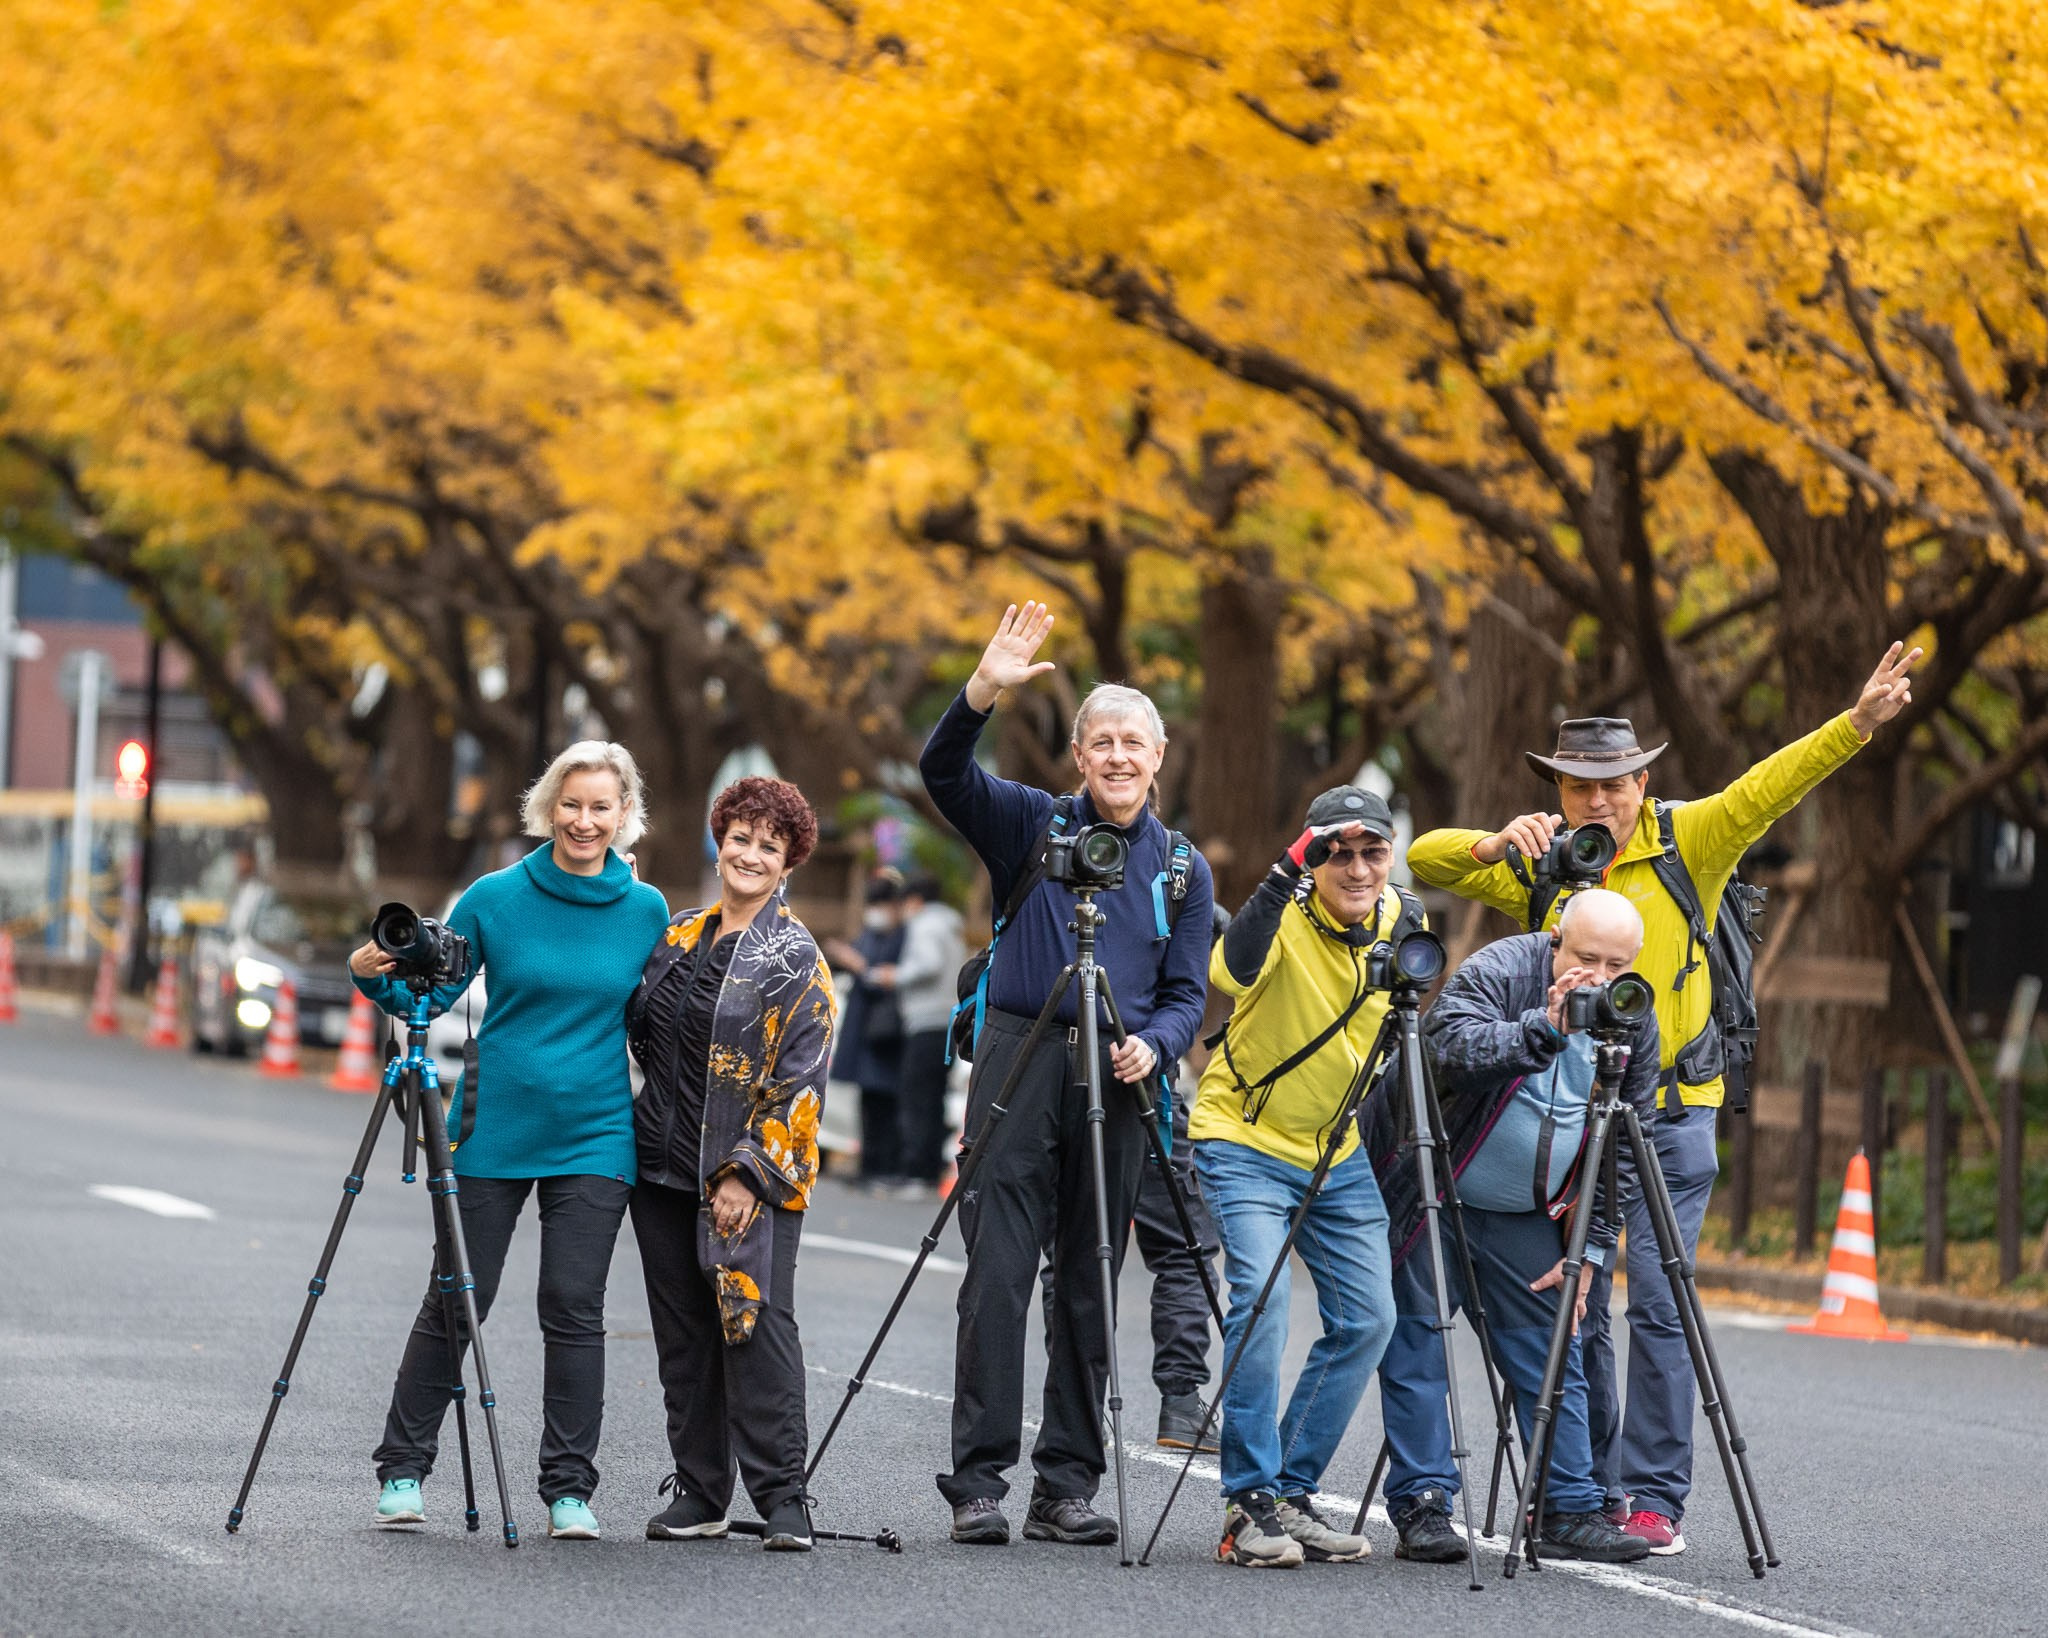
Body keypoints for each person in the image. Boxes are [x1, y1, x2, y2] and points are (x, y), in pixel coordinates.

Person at [1406, 640, 1920, 1554]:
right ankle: (1588, 1492)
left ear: (1643, 782)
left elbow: (1769, 787)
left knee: (1654, 1298)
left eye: (1615, 783)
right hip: (1562, 1124)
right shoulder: (1546, 866)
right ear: (1558, 792)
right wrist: (1495, 842)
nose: (1598, 801)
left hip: (1668, 1113)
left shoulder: (1693, 840)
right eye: (1579, 786)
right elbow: (1425, 859)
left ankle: (1652, 1498)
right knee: (1577, 1297)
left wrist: (1855, 724)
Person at [920, 601, 1213, 1547]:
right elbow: (942, 772)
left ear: (1158, 756)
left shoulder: (1182, 870)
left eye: (1135, 741)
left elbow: (1184, 993)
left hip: (1122, 1073)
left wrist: (1157, 1047)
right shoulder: (1030, 823)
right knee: (998, 1277)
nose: (1119, 757)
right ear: (1079, 756)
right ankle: (978, 1483)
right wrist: (981, 693)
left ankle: (1068, 1486)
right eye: (1103, 742)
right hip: (1021, 1048)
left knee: (1089, 1277)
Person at [350, 741, 670, 1541]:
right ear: (547, 808)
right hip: (496, 1119)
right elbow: (435, 984)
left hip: (598, 1130)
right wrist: (373, 976)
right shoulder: (495, 896)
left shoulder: (648, 910)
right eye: (571, 804)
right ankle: (402, 1470)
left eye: (602, 807)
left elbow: (661, 1019)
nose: (585, 821)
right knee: (461, 1296)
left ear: (625, 814)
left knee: (573, 1306)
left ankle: (569, 1490)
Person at [1367, 890, 1655, 1566]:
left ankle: (1567, 1506)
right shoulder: (1502, 969)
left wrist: (1589, 1245)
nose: (1602, 980)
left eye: (1619, 964)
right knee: (1419, 1346)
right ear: (1556, 939)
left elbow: (1623, 1146)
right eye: (1588, 959)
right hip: (1436, 1189)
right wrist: (1546, 1025)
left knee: (1553, 1349)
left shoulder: (1633, 1012)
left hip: (1528, 1214)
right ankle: (1424, 1502)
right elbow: (1446, 1048)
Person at [1190, 786, 1415, 1568]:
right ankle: (1246, 1504)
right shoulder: (1283, 912)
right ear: (1312, 860)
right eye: (1336, 853)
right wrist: (1289, 863)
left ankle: (1290, 1492)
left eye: (1371, 852)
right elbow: (1232, 968)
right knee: (1261, 1299)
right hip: (1244, 1136)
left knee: (1368, 1319)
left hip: (1333, 1150)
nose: (1356, 868)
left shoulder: (1403, 920)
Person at [627, 776, 837, 1552]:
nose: (750, 855)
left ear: (789, 864)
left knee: (755, 1326)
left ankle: (785, 1497)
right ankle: (702, 1491)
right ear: (720, 841)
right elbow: (642, 1033)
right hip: (657, 1169)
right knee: (685, 1336)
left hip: (749, 1179)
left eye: (769, 846)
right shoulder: (679, 934)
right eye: (741, 838)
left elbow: (801, 1080)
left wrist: (748, 1172)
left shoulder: (797, 959)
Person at [874, 871, 965, 1195]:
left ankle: (917, 1172)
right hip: (945, 1019)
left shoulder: (925, 925)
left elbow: (928, 964)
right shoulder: (950, 925)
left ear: (914, 900)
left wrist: (895, 975)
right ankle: (928, 1170)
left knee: (917, 1098)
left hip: (926, 1020)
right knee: (933, 1096)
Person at [825, 873, 908, 1188]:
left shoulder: (901, 936)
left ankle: (881, 1167)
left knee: (884, 1102)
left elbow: (881, 976)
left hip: (885, 1031)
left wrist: (858, 964)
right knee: (868, 1101)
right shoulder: (872, 933)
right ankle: (868, 1164)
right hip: (865, 1028)